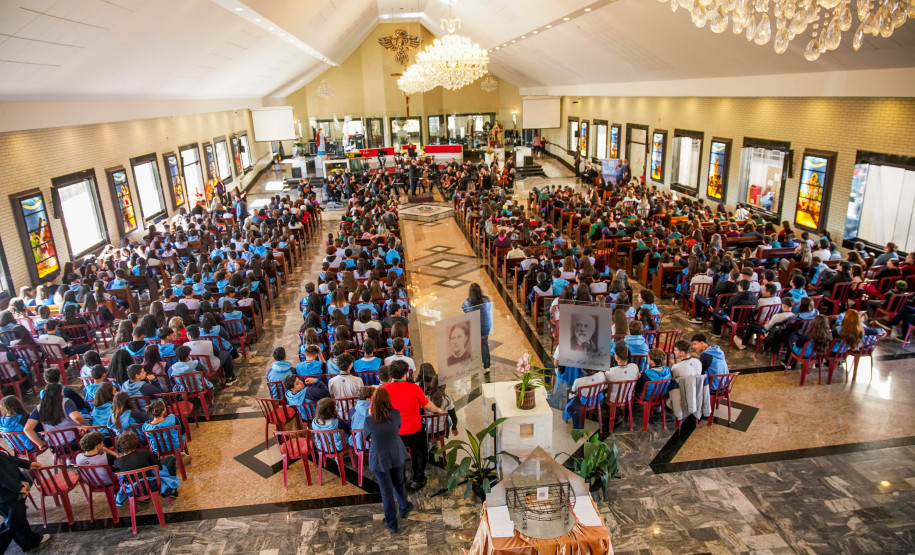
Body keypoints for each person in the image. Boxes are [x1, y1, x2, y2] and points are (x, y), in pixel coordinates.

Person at [382, 361, 444, 490]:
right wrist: (438, 410)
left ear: (390, 375)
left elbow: (372, 410)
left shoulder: (383, 390)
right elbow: (427, 404)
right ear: (405, 374)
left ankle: (401, 479)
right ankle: (418, 479)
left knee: (397, 455)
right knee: (420, 452)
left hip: (395, 431)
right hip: (414, 429)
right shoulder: (414, 388)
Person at [363, 387, 412, 534]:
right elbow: (397, 427)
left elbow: (367, 437)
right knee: (399, 483)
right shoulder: (395, 414)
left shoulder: (369, 420)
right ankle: (404, 508)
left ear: (374, 402)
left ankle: (391, 523)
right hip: (397, 452)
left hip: (380, 457)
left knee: (386, 492)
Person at [0, 450, 49, 551]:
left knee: (18, 518)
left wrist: (28, 464)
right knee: (12, 525)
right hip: (6, 494)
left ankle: (29, 542)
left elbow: (8, 459)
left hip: (9, 492)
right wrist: (18, 488)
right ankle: (30, 541)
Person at [461, 283, 493, 370]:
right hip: (485, 327)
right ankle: (487, 366)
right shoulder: (486, 299)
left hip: (474, 328)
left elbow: (463, 308)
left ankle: (474, 365)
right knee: (484, 345)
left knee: (473, 346)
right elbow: (488, 309)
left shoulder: (468, 302)